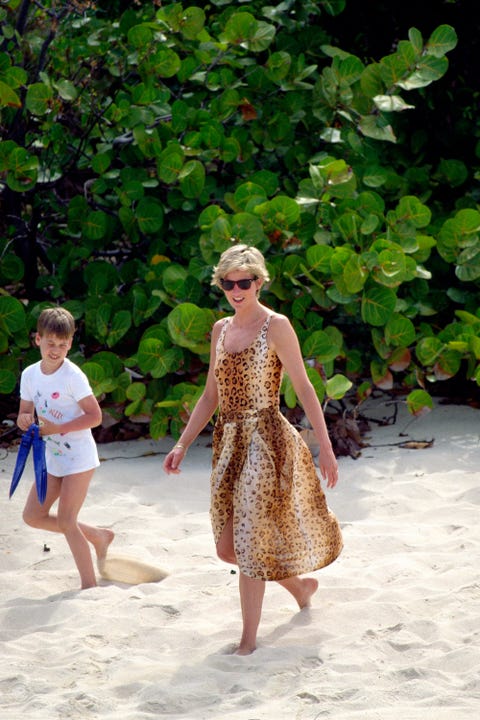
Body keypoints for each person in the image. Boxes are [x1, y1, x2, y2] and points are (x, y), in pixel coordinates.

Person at [163, 244, 343, 654]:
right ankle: (300, 586)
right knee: (229, 548)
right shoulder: (219, 330)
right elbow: (210, 395)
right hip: (230, 443)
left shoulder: (276, 326)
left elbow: (304, 387)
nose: (236, 289)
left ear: (259, 282)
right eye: (228, 283)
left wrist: (326, 449)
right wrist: (182, 443)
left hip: (268, 440)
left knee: (247, 544)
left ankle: (247, 643)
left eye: (244, 282)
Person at [16, 307, 114, 590]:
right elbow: (25, 412)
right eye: (50, 343)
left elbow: (95, 417)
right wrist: (25, 420)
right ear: (38, 339)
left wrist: (56, 428)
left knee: (68, 521)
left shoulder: (73, 376)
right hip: (51, 457)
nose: (56, 350)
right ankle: (97, 535)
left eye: (62, 345)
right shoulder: (30, 375)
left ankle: (89, 587)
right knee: (32, 516)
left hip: (79, 458)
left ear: (70, 343)